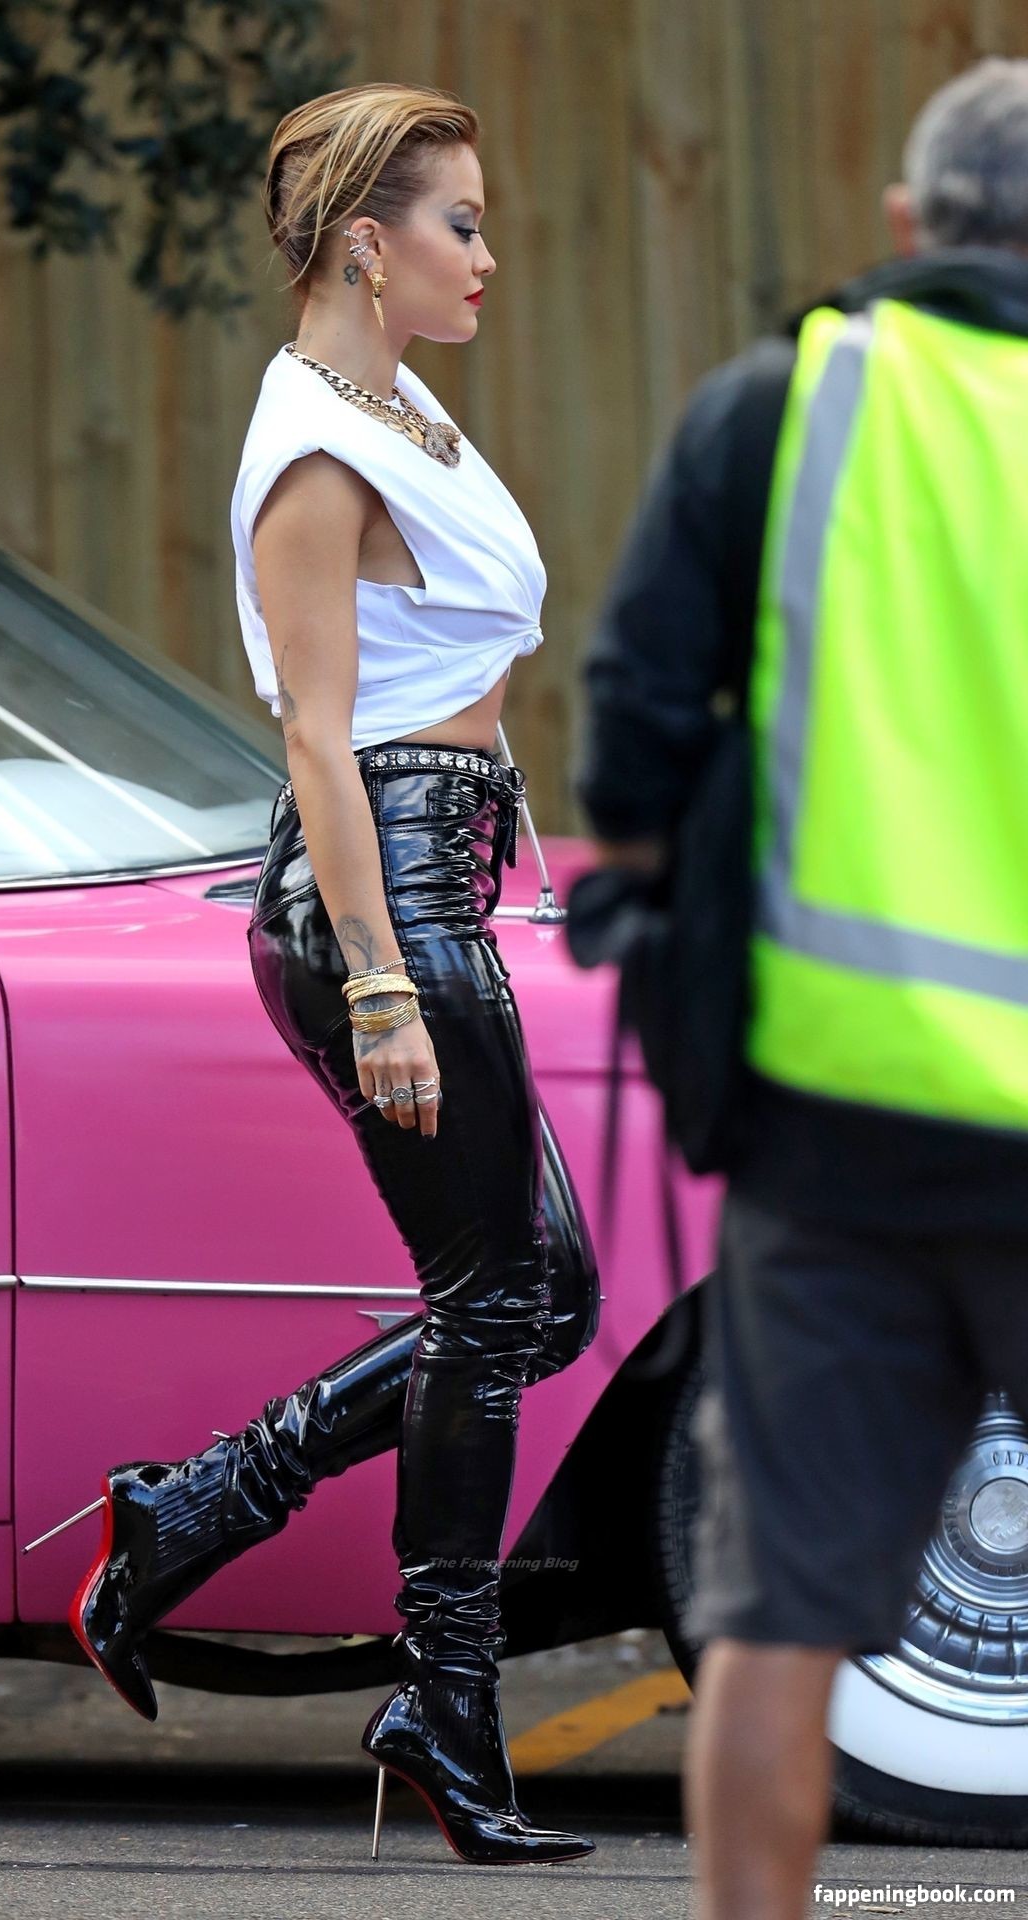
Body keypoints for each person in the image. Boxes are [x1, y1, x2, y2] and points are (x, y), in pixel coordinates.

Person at [40, 82, 599, 1867]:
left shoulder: (399, 407)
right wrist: (377, 984)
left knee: (536, 1297)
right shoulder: (313, 450)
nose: (488, 256)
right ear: (371, 242)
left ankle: (193, 1515)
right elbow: (314, 735)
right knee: (497, 1309)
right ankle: (445, 1702)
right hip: (382, 900)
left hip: (438, 876)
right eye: (461, 224)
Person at [574, 56, 1028, 1920]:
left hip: (833, 1139)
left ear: (911, 224)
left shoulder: (781, 410)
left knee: (776, 1619)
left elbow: (627, 740)